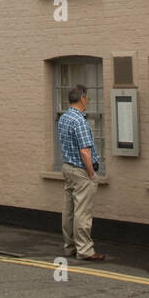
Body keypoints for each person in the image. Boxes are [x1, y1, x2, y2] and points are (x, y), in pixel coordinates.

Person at [57, 85, 105, 261]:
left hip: (67, 168)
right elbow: (85, 151)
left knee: (68, 211)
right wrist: (91, 172)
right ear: (83, 99)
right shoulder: (79, 120)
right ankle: (85, 249)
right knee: (82, 212)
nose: (88, 102)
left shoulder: (64, 118)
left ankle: (69, 247)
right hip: (81, 170)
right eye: (88, 99)